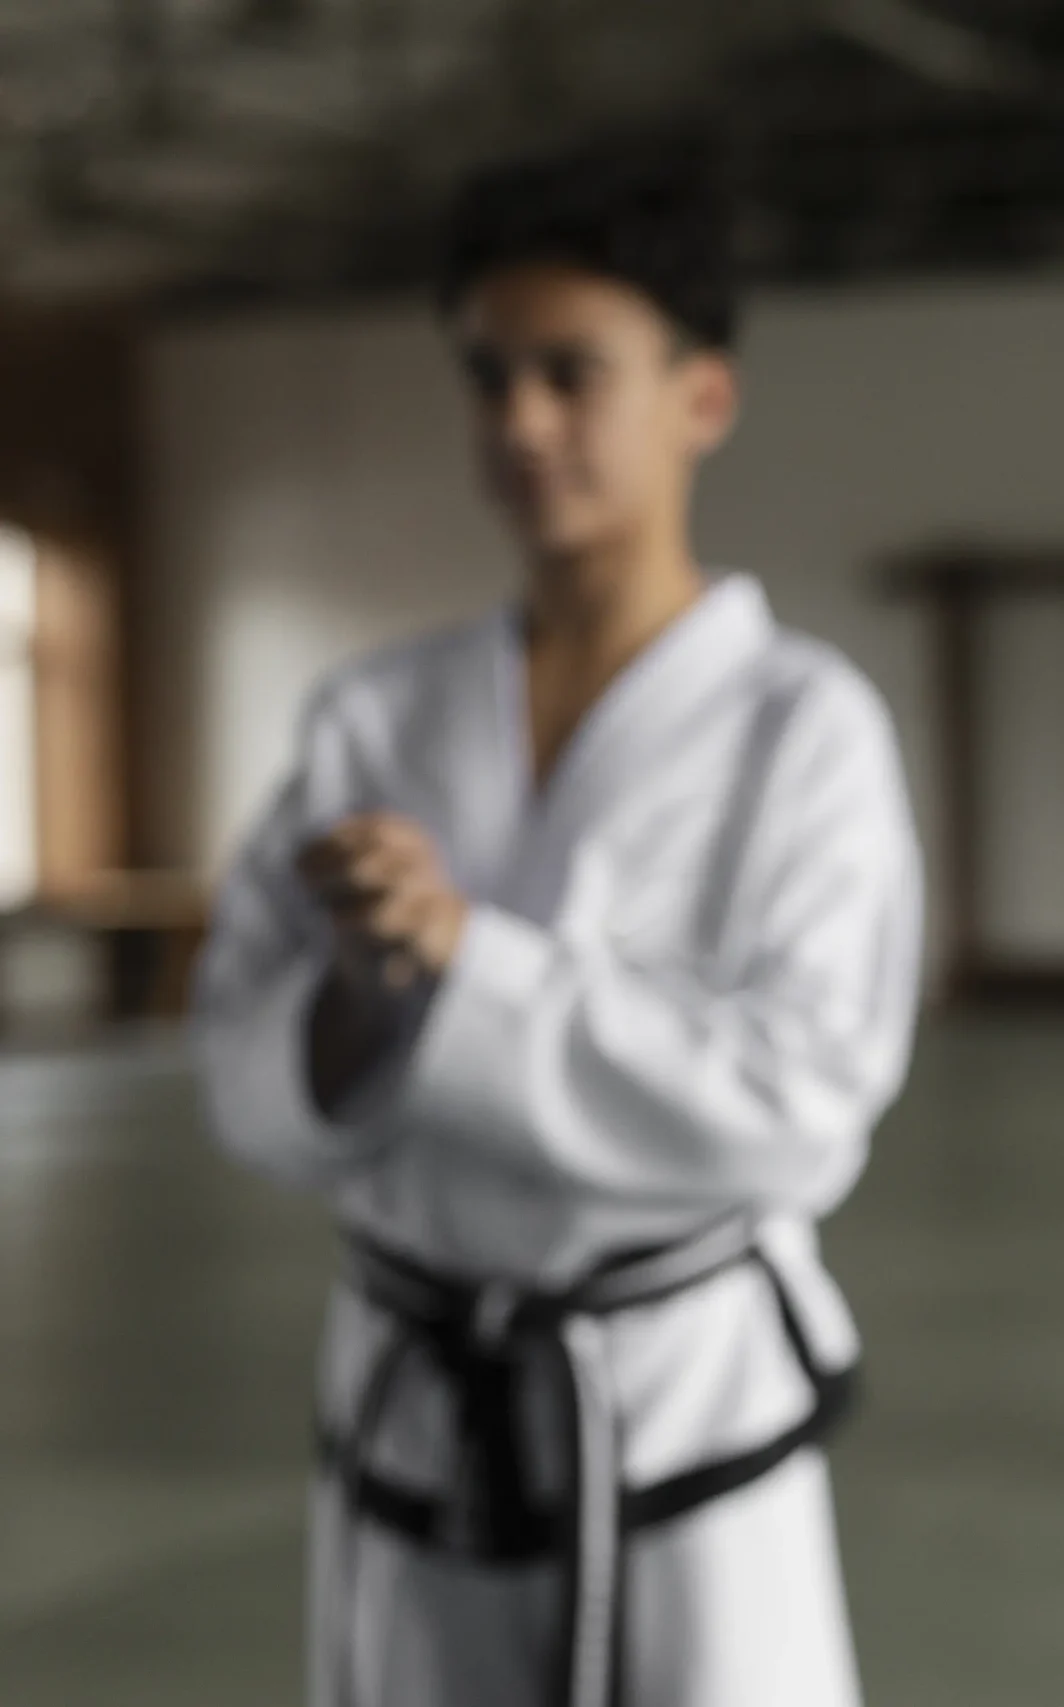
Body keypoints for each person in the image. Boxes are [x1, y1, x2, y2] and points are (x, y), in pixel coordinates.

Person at [191, 144, 921, 1707]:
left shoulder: (802, 727)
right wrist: (356, 1006)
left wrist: (466, 968)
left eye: (571, 373)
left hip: (677, 1403)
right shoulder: (370, 716)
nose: (520, 421)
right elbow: (239, 1051)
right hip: (413, 1401)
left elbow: (804, 1101)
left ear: (701, 398)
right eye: (488, 375)